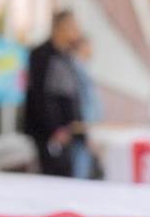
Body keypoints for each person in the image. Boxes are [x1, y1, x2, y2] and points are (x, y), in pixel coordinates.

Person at [23, 10, 82, 176]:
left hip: (68, 131)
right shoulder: (40, 55)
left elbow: (71, 95)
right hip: (49, 133)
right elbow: (40, 95)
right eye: (72, 26)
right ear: (60, 27)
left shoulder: (67, 57)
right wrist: (55, 129)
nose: (76, 30)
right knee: (52, 175)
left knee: (67, 174)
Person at [70, 36, 103, 179]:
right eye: (89, 45)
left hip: (88, 128)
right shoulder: (76, 68)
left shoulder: (83, 67)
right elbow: (82, 103)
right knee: (79, 170)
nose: (92, 50)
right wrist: (87, 134)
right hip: (82, 130)